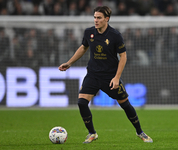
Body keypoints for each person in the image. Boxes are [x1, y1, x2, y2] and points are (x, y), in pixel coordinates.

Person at [58, 6, 153, 143]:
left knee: (125, 104)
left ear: (106, 19)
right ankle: (92, 133)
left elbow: (123, 56)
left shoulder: (115, 35)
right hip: (92, 75)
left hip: (110, 77)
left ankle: (140, 132)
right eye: (95, 17)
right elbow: (84, 47)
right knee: (81, 103)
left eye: (99, 18)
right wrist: (69, 62)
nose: (96, 20)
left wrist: (117, 77)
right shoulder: (89, 32)